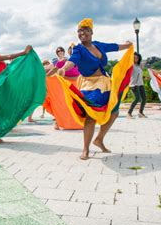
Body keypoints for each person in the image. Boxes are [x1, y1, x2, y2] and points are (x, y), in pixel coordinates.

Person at [57, 18, 133, 160]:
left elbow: (114, 46)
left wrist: (127, 45)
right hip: (90, 85)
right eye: (79, 31)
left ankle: (99, 139)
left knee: (114, 113)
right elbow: (72, 61)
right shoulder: (78, 49)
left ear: (91, 32)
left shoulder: (98, 45)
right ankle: (85, 149)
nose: (82, 33)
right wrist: (63, 69)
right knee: (91, 115)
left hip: (105, 84)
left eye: (85, 30)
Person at [45, 44, 82, 130]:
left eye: (61, 51)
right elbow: (53, 69)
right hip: (63, 85)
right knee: (62, 104)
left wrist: (63, 77)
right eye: (58, 51)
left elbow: (78, 76)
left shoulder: (77, 62)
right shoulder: (61, 61)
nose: (60, 52)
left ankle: (74, 122)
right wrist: (45, 77)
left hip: (75, 85)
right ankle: (58, 122)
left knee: (73, 104)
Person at [127, 52, 147, 118]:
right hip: (134, 84)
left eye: (137, 58)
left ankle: (140, 113)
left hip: (141, 84)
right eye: (134, 58)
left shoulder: (139, 66)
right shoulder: (131, 65)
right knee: (137, 98)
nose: (135, 59)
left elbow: (140, 73)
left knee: (144, 98)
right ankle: (129, 113)